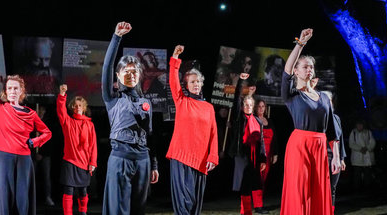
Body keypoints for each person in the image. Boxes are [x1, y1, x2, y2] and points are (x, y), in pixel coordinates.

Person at [0, 38, 52, 215]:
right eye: (9, 88)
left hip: (24, 159)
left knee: (22, 202)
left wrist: (34, 142)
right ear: (6, 91)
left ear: (21, 91)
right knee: (3, 201)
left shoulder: (30, 113)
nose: (12, 91)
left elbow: (47, 132)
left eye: (15, 88)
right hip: (2, 158)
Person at [280, 29, 341, 215]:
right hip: (299, 146)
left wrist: (337, 157)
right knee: (300, 190)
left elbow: (332, 130)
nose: (309, 70)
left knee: (318, 190)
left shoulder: (323, 97)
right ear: (296, 71)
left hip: (321, 147)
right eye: (305, 67)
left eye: (311, 67)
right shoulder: (292, 95)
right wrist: (300, 44)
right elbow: (286, 71)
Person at [101, 22, 159, 215]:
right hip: (120, 160)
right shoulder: (113, 98)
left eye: (135, 71)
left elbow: (151, 136)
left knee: (137, 210)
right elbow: (107, 66)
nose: (132, 74)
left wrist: (154, 164)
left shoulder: (146, 103)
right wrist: (117, 37)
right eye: (127, 71)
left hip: (143, 161)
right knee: (117, 210)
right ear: (118, 75)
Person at [166, 45, 219, 215]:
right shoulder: (182, 101)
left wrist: (213, 156)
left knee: (195, 205)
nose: (196, 84)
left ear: (202, 84)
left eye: (198, 81)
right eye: (192, 82)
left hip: (201, 160)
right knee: (183, 205)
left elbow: (214, 134)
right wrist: (175, 58)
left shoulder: (209, 108)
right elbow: (173, 80)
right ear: (186, 85)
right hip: (181, 158)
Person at [57, 84, 97, 215]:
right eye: (75, 105)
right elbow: (60, 110)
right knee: (68, 191)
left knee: (83, 191)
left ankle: (82, 213)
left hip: (84, 163)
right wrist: (62, 95)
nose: (77, 107)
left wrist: (92, 163)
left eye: (80, 105)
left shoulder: (89, 125)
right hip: (70, 161)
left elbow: (93, 146)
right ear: (72, 107)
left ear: (84, 108)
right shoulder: (67, 122)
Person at [229, 93, 267, 215]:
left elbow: (261, 143)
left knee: (255, 183)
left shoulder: (258, 121)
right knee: (244, 185)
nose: (248, 107)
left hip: (254, 157)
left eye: (250, 105)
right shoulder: (239, 119)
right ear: (242, 106)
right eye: (246, 105)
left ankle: (258, 207)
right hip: (242, 155)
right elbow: (236, 101)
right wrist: (240, 82)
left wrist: (263, 159)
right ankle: (245, 211)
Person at [321, 91, 346, 213]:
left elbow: (339, 139)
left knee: (332, 188)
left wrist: (341, 158)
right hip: (322, 157)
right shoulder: (319, 118)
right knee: (321, 188)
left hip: (334, 157)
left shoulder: (336, 118)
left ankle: (330, 211)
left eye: (329, 100)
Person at [254, 100, 278, 187]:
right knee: (257, 174)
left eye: (263, 106)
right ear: (256, 108)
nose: (261, 109)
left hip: (268, 153)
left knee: (265, 174)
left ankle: (261, 194)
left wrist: (275, 154)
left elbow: (274, 138)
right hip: (257, 152)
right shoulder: (253, 120)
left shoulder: (269, 121)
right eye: (259, 106)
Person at [349, 119, 376, 192]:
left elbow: (372, 142)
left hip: (366, 156)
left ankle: (367, 188)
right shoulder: (353, 132)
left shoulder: (368, 132)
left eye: (361, 125)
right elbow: (351, 143)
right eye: (358, 125)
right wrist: (360, 149)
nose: (359, 126)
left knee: (367, 174)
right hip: (357, 157)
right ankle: (357, 189)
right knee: (357, 174)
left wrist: (367, 148)